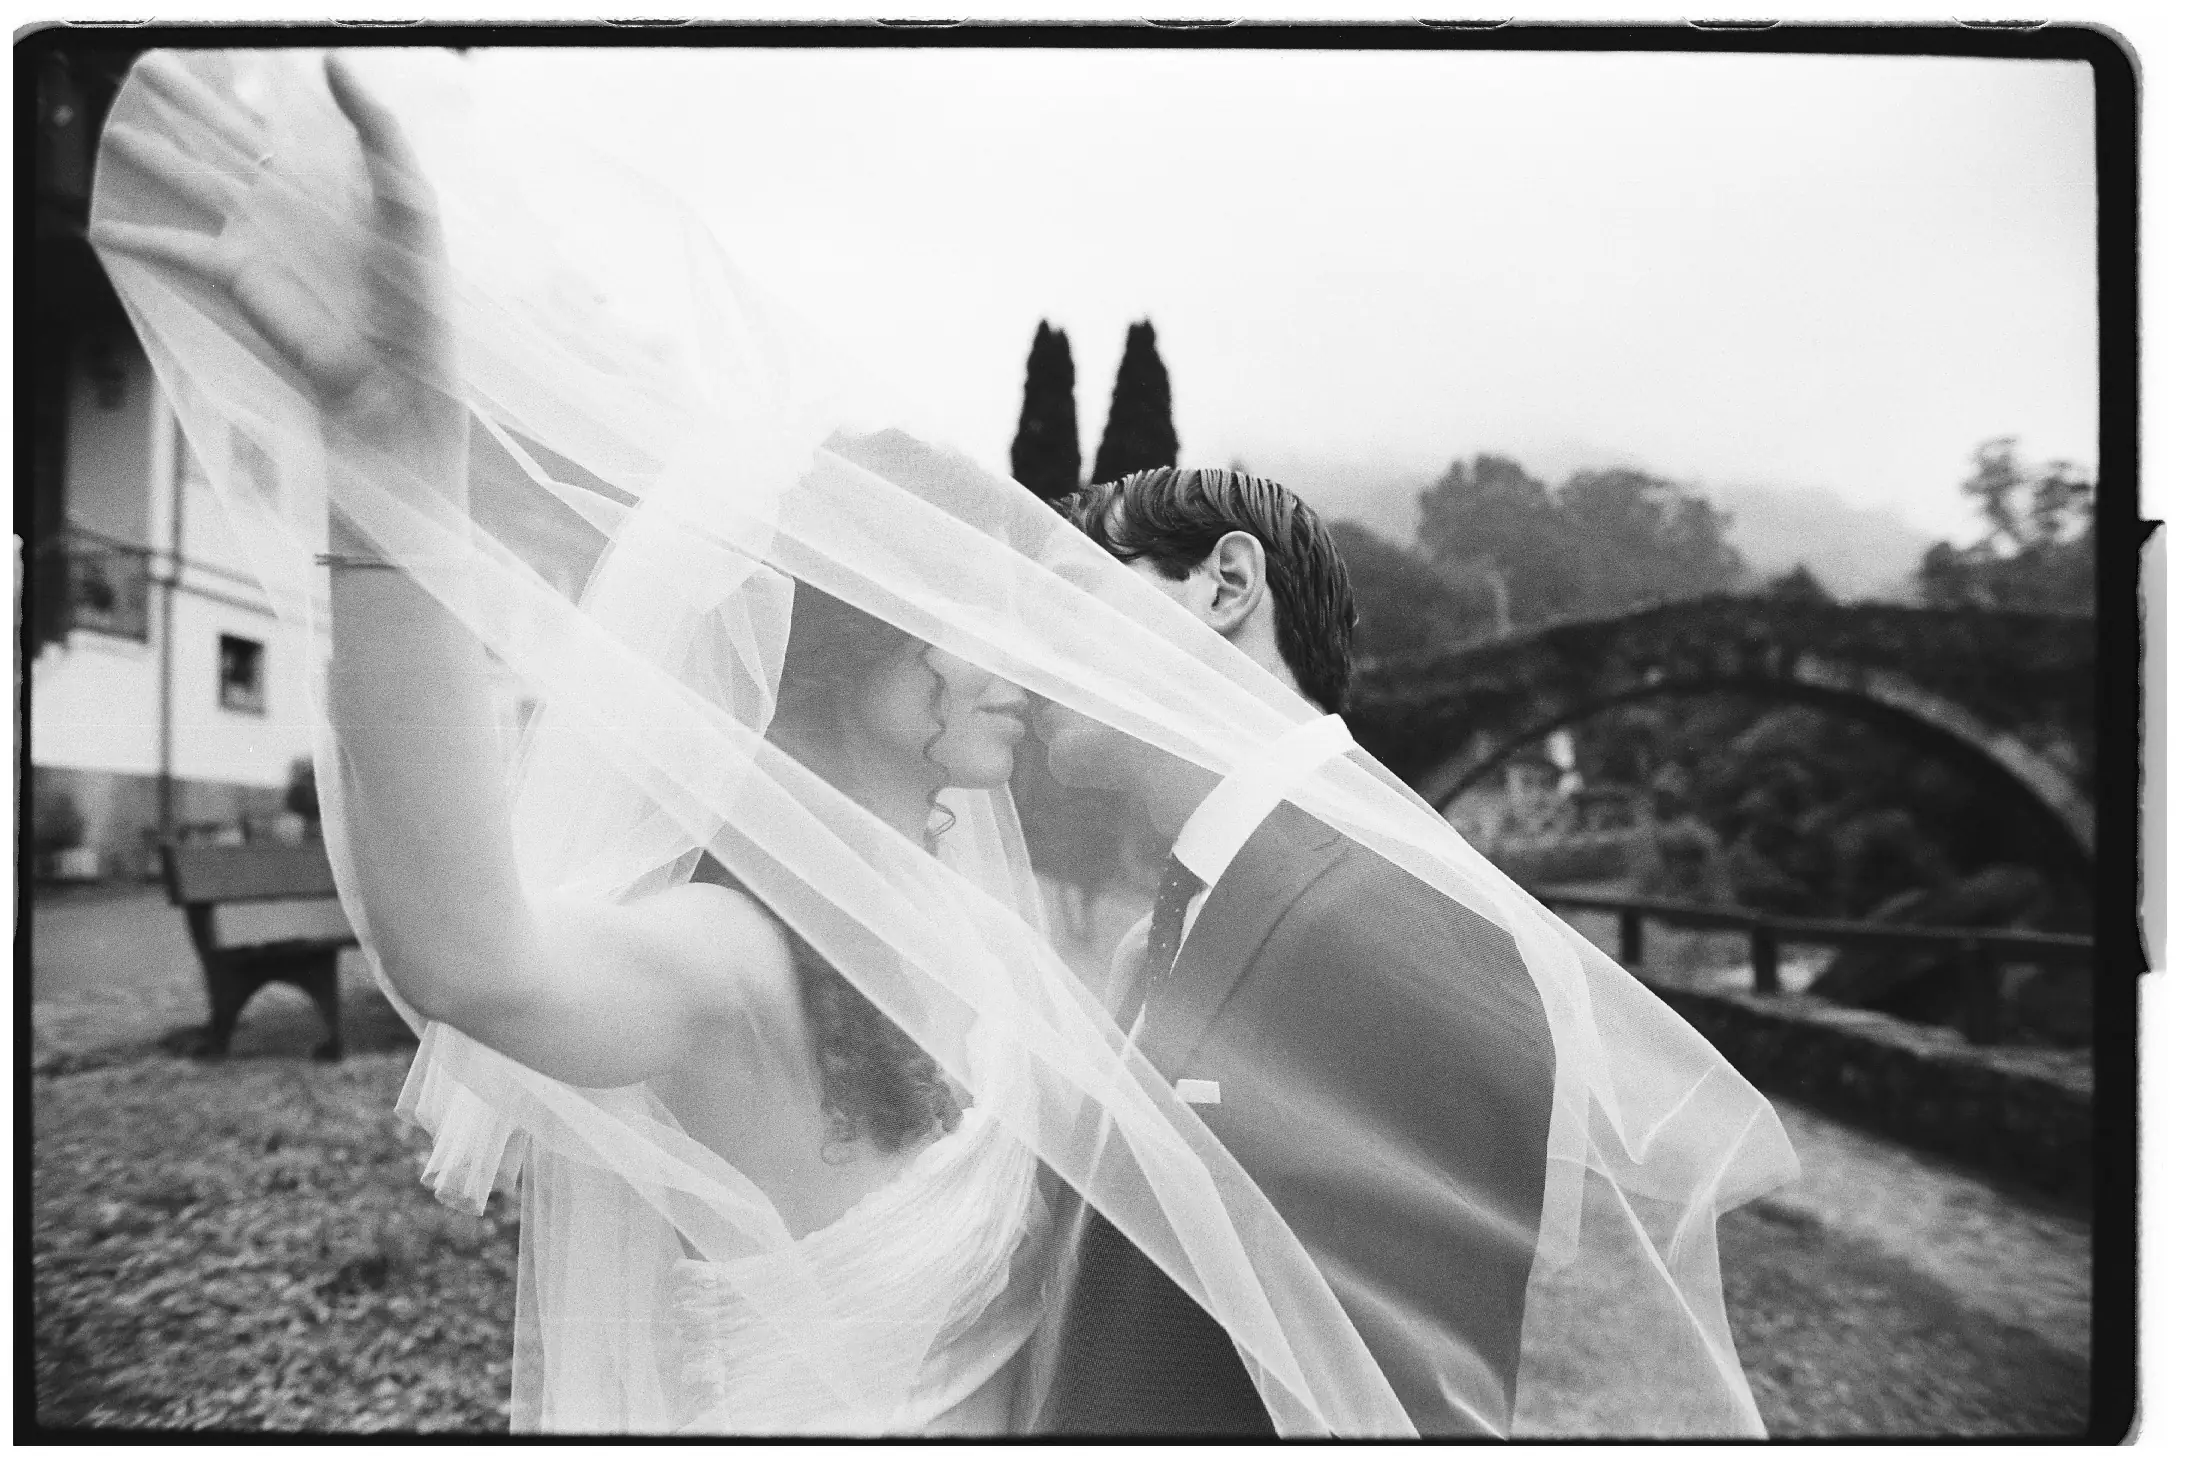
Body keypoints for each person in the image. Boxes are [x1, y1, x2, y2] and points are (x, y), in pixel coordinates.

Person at [91, 48, 1798, 1440]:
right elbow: (471, 956)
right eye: (976, 619)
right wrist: (390, 466)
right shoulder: (725, 949)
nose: (1030, 662)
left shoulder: (992, 918)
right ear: (857, 644)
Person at [1021, 468, 1556, 1436]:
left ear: (1226, 583)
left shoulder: (1391, 918)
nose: (1021, 652)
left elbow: (1417, 1396)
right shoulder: (1197, 912)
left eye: (1067, 592)